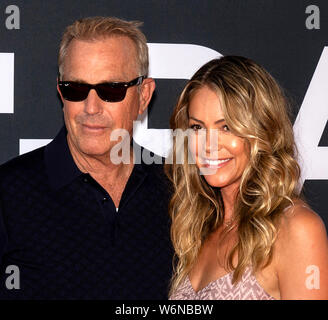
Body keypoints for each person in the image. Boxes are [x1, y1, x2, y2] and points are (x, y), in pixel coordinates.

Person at [0, 17, 173, 299]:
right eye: (76, 89)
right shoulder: (8, 194)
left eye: (111, 90)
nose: (91, 108)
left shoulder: (178, 191)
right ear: (60, 92)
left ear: (143, 96)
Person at [166, 56, 328, 300]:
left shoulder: (296, 229)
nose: (209, 145)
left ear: (262, 131)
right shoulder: (198, 229)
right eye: (197, 128)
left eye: (226, 127)